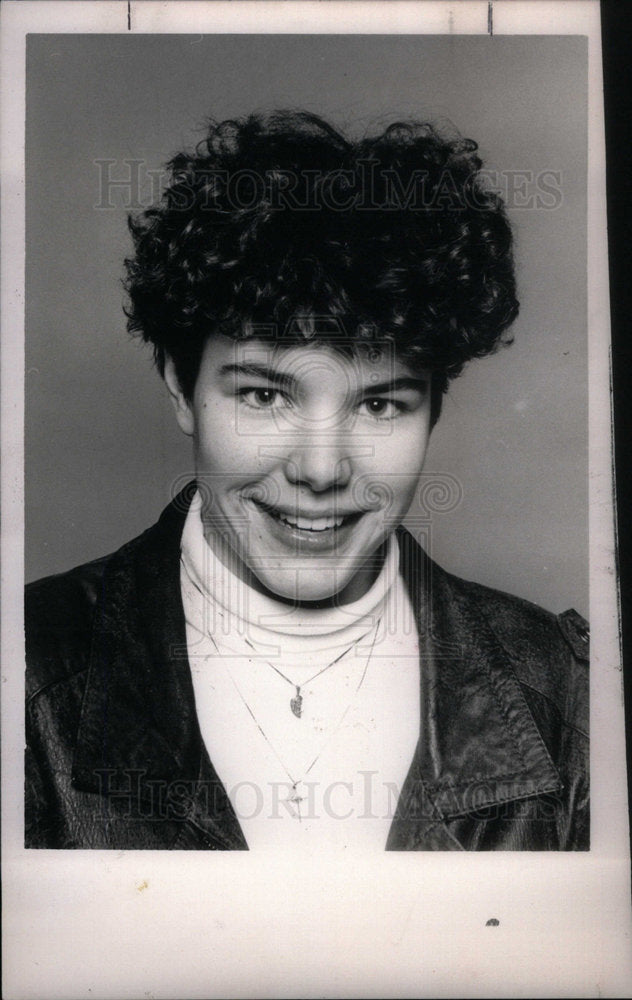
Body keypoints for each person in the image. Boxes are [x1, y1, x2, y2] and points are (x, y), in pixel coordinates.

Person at [25, 111, 589, 851]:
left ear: (435, 407)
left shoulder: (563, 683)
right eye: (264, 395)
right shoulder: (28, 665)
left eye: (381, 403)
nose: (321, 471)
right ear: (177, 381)